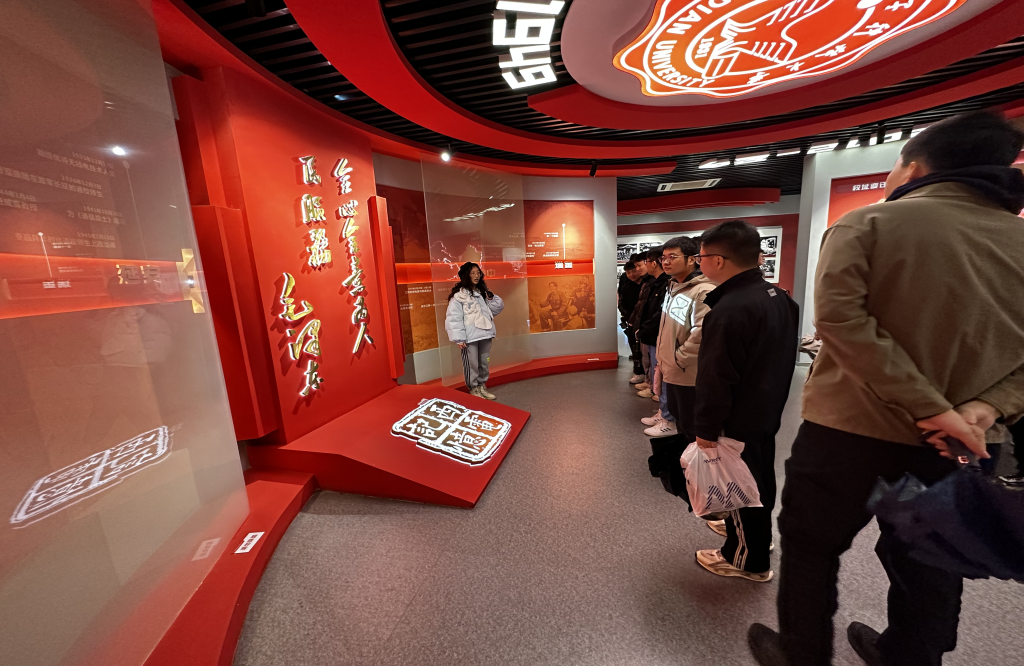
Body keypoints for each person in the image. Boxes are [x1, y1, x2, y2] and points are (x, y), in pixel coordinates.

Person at [747, 111, 1024, 666]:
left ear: (914, 167)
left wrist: (929, 407)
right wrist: (982, 408)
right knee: (932, 555)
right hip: (963, 443)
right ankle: (910, 656)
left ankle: (802, 654)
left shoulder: (868, 224)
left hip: (849, 431)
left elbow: (842, 325)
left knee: (812, 545)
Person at [691, 220, 799, 583]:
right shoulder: (779, 297)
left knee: (740, 488)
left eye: (701, 256)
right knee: (759, 479)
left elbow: (716, 377)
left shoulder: (729, 310)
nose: (700, 263)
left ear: (719, 260)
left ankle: (745, 559)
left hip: (737, 417)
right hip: (766, 409)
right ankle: (758, 541)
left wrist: (706, 428)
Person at [646, 237, 717, 444]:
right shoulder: (674, 287)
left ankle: (698, 462)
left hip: (688, 373)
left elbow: (702, 333)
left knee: (692, 425)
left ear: (692, 259)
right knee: (681, 421)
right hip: (673, 369)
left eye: (672, 257)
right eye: (663, 257)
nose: (666, 262)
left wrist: (678, 359)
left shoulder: (703, 290)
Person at [444, 262, 505, 400]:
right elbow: (454, 318)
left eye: (478, 273)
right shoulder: (459, 296)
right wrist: (459, 338)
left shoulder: (481, 293)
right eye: (472, 273)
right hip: (469, 337)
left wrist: (491, 297)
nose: (476, 276)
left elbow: (494, 310)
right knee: (472, 364)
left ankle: (482, 386)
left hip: (485, 333)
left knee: (484, 362)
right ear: (466, 275)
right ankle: (474, 388)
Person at [635, 247, 673, 407]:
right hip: (650, 331)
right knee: (651, 362)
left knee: (658, 367)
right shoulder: (654, 283)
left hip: (657, 332)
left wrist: (645, 327)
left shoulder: (666, 284)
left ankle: (660, 398)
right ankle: (655, 390)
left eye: (645, 262)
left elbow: (660, 313)